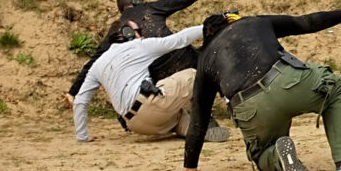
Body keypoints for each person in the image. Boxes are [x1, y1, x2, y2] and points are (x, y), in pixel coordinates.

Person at [181, 0, 341, 171]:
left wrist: (190, 166)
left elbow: (199, 119)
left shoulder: (205, 59)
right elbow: (306, 22)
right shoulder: (253, 22)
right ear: (230, 21)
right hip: (286, 81)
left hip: (250, 109)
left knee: (261, 156)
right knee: (334, 89)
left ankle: (276, 155)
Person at [65, 0, 232, 107]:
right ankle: (229, 100)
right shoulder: (149, 9)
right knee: (210, 61)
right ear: (136, 0)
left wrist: (73, 92)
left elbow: (92, 63)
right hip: (182, 57)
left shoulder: (117, 30)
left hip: (157, 77)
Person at [72, 21, 232, 143]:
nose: (142, 34)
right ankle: (211, 115)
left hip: (136, 125)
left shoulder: (97, 64)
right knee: (193, 74)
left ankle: (197, 130)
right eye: (138, 31)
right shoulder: (138, 46)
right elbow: (179, 40)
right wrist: (210, 25)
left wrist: (82, 136)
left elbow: (80, 100)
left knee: (177, 115)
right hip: (149, 106)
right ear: (127, 33)